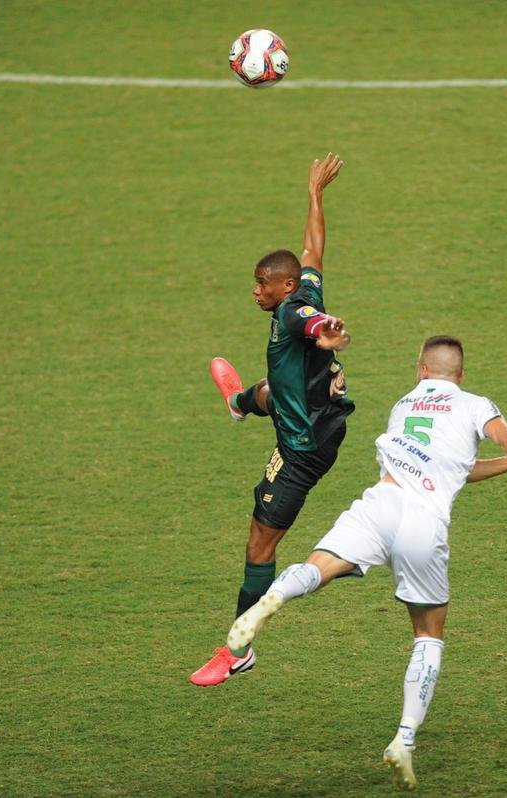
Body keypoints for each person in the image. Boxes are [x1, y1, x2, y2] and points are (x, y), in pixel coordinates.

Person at [221, 335, 507, 790]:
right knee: (428, 633)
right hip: (423, 524)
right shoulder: (474, 405)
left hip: (381, 505)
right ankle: (404, 739)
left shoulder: (404, 405)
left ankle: (270, 601)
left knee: (320, 566)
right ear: (461, 375)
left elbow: (456, 465)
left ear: (421, 371)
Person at [190, 154, 355, 687]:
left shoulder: (294, 310)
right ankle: (241, 403)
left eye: (263, 283)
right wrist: (315, 195)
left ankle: (238, 649)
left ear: (284, 289)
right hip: (326, 417)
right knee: (272, 388)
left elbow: (313, 323)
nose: (255, 290)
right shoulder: (305, 286)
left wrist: (328, 332)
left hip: (301, 449)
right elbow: (313, 249)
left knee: (259, 544)